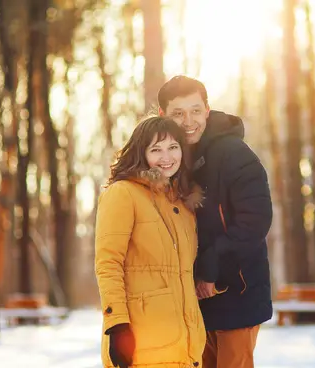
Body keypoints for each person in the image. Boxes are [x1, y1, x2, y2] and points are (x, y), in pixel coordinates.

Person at [158, 76, 273, 368]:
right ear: (163, 116)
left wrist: (210, 269)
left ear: (207, 110)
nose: (188, 121)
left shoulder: (235, 155)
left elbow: (254, 223)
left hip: (237, 291)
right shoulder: (172, 161)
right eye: (178, 113)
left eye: (196, 110)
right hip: (196, 299)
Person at [94, 115, 206, 368]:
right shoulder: (123, 193)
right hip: (142, 346)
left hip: (187, 348)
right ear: (141, 153)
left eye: (173, 147)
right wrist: (117, 325)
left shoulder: (182, 205)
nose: (166, 157)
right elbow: (108, 263)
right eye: (156, 149)